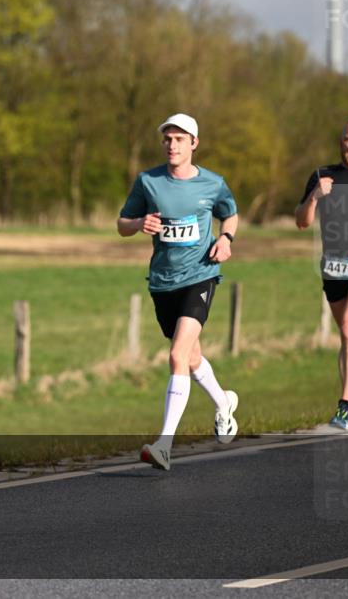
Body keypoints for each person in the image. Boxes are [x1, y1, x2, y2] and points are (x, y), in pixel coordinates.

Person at [117, 113, 240, 471]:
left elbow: (230, 214)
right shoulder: (148, 181)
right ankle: (224, 403)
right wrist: (139, 223)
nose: (172, 145)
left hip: (200, 276)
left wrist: (226, 239)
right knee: (191, 357)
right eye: (168, 139)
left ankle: (164, 445)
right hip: (163, 282)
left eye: (180, 139)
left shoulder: (213, 183)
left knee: (177, 354)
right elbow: (121, 224)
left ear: (194, 144)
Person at [295, 120, 348, 429]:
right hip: (333, 267)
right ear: (340, 142)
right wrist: (315, 197)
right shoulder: (321, 175)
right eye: (347, 139)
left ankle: (344, 407)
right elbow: (302, 221)